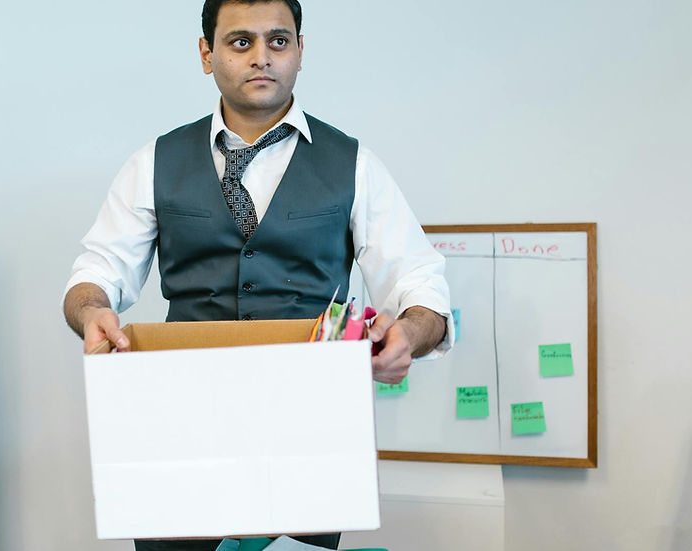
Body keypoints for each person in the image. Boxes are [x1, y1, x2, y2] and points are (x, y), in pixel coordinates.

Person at [64, 1, 454, 549]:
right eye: (240, 41)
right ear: (207, 54)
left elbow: (419, 283)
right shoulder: (153, 161)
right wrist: (91, 312)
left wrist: (408, 334)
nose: (262, 57)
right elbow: (97, 272)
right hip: (177, 425)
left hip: (309, 431)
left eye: (279, 40)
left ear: (300, 51)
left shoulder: (355, 164)